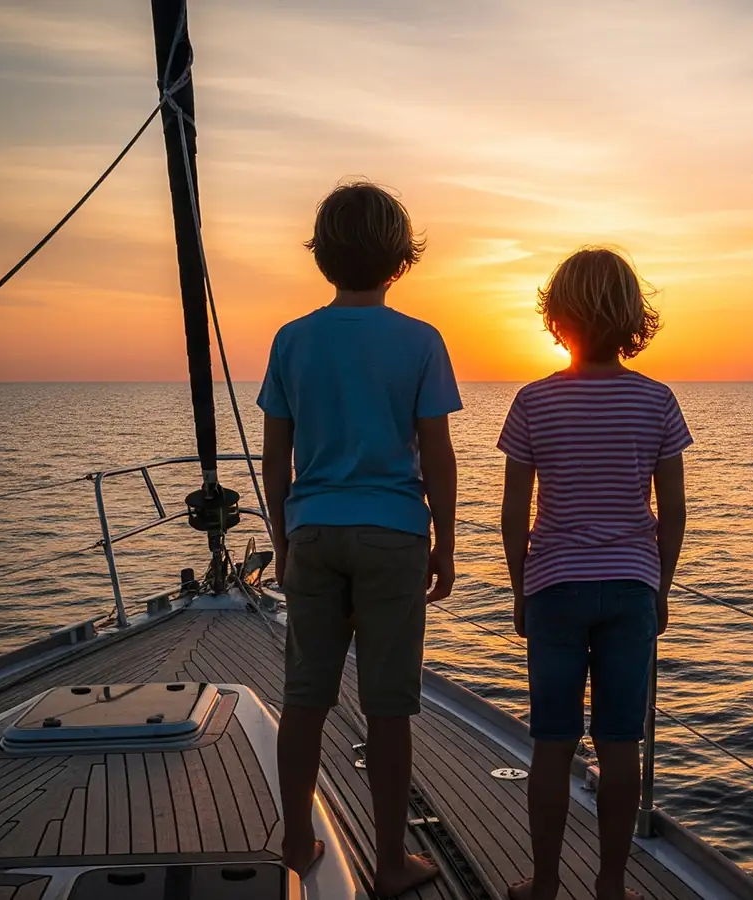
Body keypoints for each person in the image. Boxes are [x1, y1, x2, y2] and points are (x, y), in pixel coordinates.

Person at [258, 181, 458, 895]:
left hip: (313, 531)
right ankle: (390, 859)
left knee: (304, 695)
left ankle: (292, 836)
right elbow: (436, 454)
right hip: (393, 535)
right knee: (389, 704)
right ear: (401, 258)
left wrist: (283, 541)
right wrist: (447, 543)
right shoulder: (420, 341)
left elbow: (275, 458)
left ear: (324, 255)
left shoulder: (292, 339)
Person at [499, 247, 691, 900]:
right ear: (635, 318)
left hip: (554, 584)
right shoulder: (657, 402)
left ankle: (547, 885)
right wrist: (658, 590)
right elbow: (674, 514)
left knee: (552, 743)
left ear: (556, 317)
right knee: (619, 745)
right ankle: (611, 887)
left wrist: (521, 588)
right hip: (631, 586)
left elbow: (512, 513)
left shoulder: (533, 402)